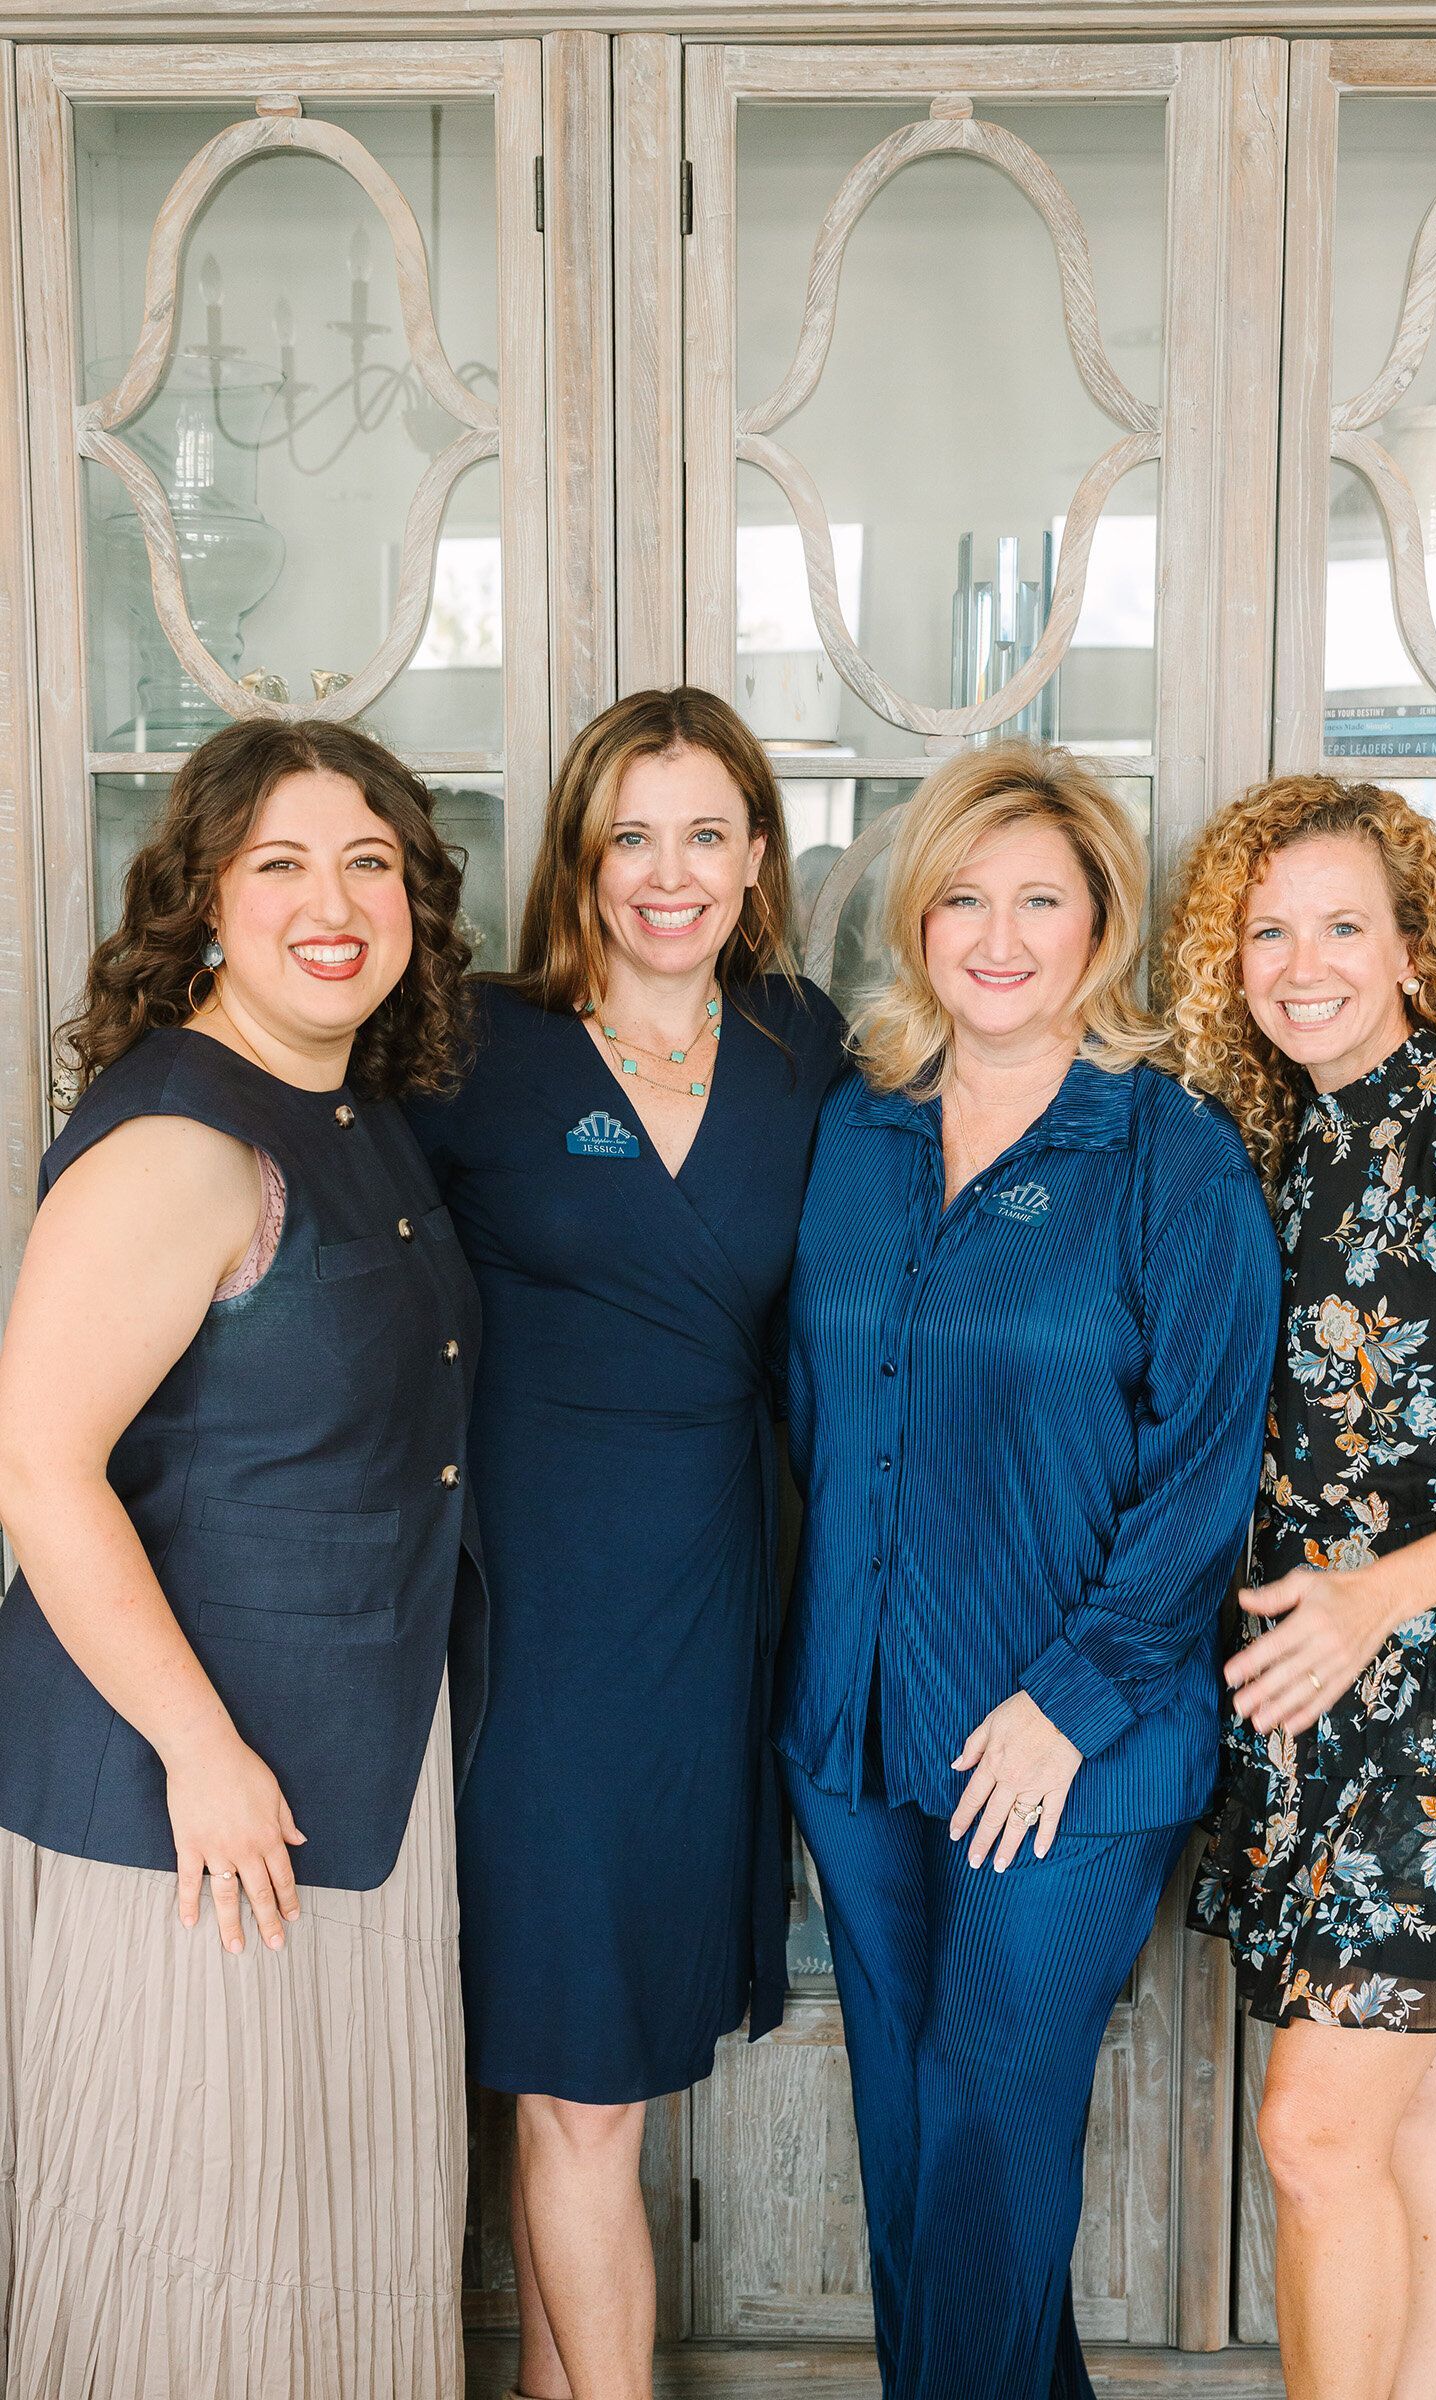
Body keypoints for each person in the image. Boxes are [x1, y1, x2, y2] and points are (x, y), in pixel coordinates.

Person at [776, 742, 1280, 2400]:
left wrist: (1066, 1700)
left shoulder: (1169, 1158)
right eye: (965, 898)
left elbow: (1207, 1476)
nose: (999, 937)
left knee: (991, 2139)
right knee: (923, 2140)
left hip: (1071, 1750)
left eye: (1041, 902)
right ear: (919, 917)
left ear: (1100, 928)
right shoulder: (851, 1134)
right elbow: (811, 1416)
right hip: (856, 1735)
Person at [0, 718, 487, 2398]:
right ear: (207, 903)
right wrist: (202, 1758)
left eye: (369, 862)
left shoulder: (348, 1108)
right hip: (191, 1806)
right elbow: (41, 1476)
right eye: (278, 863)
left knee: (318, 2233)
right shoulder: (177, 1143)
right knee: (193, 2240)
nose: (331, 902)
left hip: (346, 1767)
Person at [404, 685, 843, 2400]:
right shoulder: (470, 1049)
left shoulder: (812, 1050)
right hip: (534, 1625)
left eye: (706, 834)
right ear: (584, 857)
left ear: (756, 856)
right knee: (580, 2083)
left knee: (620, 2072)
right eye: (631, 835)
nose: (670, 874)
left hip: (724, 1604)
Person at [1168, 775, 1436, 2400]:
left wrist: (1373, 1599)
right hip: (1322, 1693)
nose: (1304, 963)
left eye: (1344, 925)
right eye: (1268, 931)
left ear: (1416, 950)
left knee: (1312, 2130)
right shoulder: (1286, 1143)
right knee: (1407, 2109)